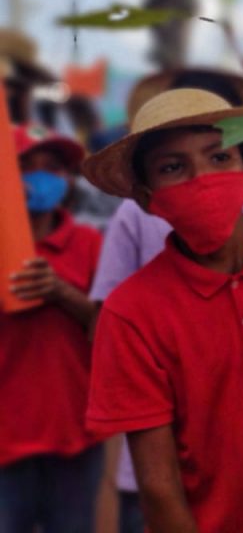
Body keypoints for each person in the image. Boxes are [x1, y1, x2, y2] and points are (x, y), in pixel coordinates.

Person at [82, 89, 243, 532]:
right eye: (172, 167)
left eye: (219, 157)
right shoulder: (130, 313)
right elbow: (159, 485)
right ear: (147, 198)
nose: (201, 179)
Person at [0, 125, 103, 532]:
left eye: (53, 167)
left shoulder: (89, 242)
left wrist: (62, 292)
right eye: (27, 166)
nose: (42, 177)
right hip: (6, 437)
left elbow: (107, 329)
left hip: (76, 432)